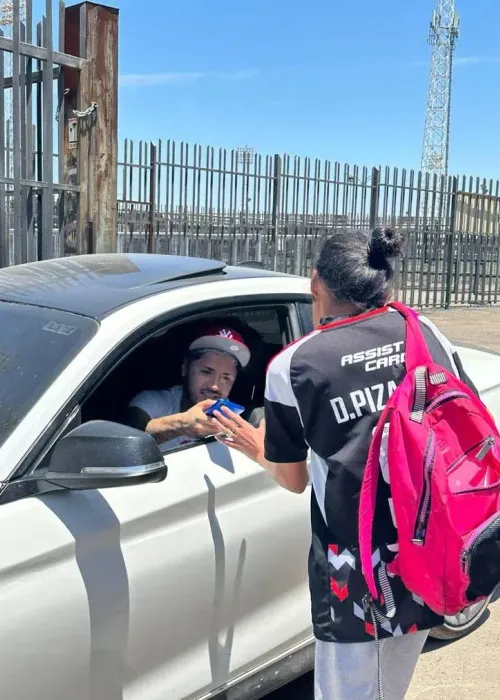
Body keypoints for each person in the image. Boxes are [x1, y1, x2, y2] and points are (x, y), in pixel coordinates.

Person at [211, 226, 477, 700]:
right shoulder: (423, 329)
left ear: (315, 282)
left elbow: (293, 479)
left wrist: (256, 448)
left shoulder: (293, 366)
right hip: (434, 546)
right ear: (382, 285)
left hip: (362, 579)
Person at [126, 323, 251, 451]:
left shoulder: (236, 421)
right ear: (185, 368)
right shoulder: (154, 401)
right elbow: (126, 438)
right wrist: (182, 424)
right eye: (206, 372)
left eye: (226, 378)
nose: (215, 386)